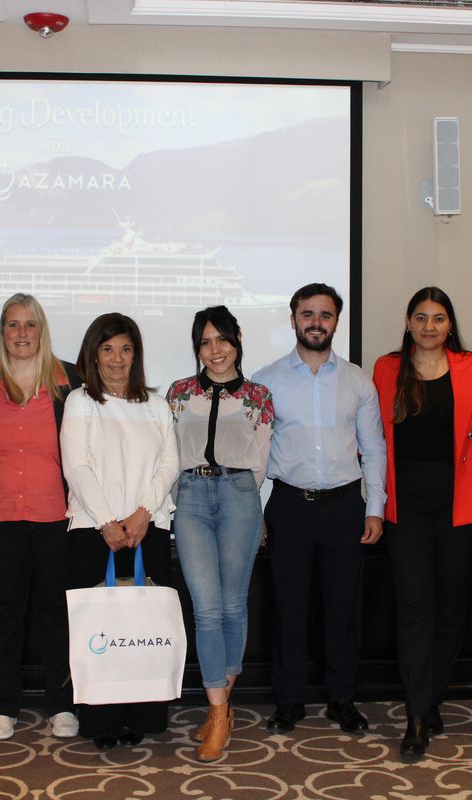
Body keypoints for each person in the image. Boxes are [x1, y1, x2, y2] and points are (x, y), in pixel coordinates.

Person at [251, 283, 386, 735]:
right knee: (288, 608)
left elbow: (375, 449)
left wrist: (376, 507)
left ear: (336, 321)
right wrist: (258, 512)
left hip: (345, 507)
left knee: (341, 609)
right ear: (293, 319)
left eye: (325, 315)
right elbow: (255, 454)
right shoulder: (266, 381)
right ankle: (289, 701)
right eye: (307, 314)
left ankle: (341, 699)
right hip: (288, 505)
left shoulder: (357, 381)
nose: (316, 322)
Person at [372, 287, 472, 759]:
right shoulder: (386, 368)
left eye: (439, 318)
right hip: (406, 506)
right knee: (415, 608)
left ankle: (432, 695)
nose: (429, 326)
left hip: (460, 503)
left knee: (451, 607)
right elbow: (375, 440)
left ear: (450, 324)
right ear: (407, 322)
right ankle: (417, 715)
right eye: (421, 317)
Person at [59, 312, 179, 751]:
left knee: (145, 629)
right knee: (103, 630)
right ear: (93, 354)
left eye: (126, 349)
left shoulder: (156, 403)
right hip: (95, 531)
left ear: (136, 355)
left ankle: (142, 715)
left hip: (148, 527)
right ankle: (101, 719)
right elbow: (77, 466)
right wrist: (109, 520)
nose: (117, 358)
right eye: (107, 349)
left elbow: (168, 463)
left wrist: (142, 513)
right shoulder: (80, 402)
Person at [0, 293, 81, 742]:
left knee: (56, 612)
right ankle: (2, 707)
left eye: (30, 325)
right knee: (2, 615)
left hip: (55, 516)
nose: (21, 334)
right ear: (2, 331)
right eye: (12, 325)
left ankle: (61, 704)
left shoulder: (69, 380)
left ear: (42, 329)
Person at [166, 306, 274, 762]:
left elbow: (263, 459)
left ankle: (219, 711)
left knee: (233, 606)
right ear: (197, 347)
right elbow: (167, 451)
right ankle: (219, 710)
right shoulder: (177, 394)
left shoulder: (258, 396)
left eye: (223, 340)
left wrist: (254, 506)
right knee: (206, 609)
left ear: (238, 340)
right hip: (191, 497)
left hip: (239, 494)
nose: (216, 350)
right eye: (206, 342)